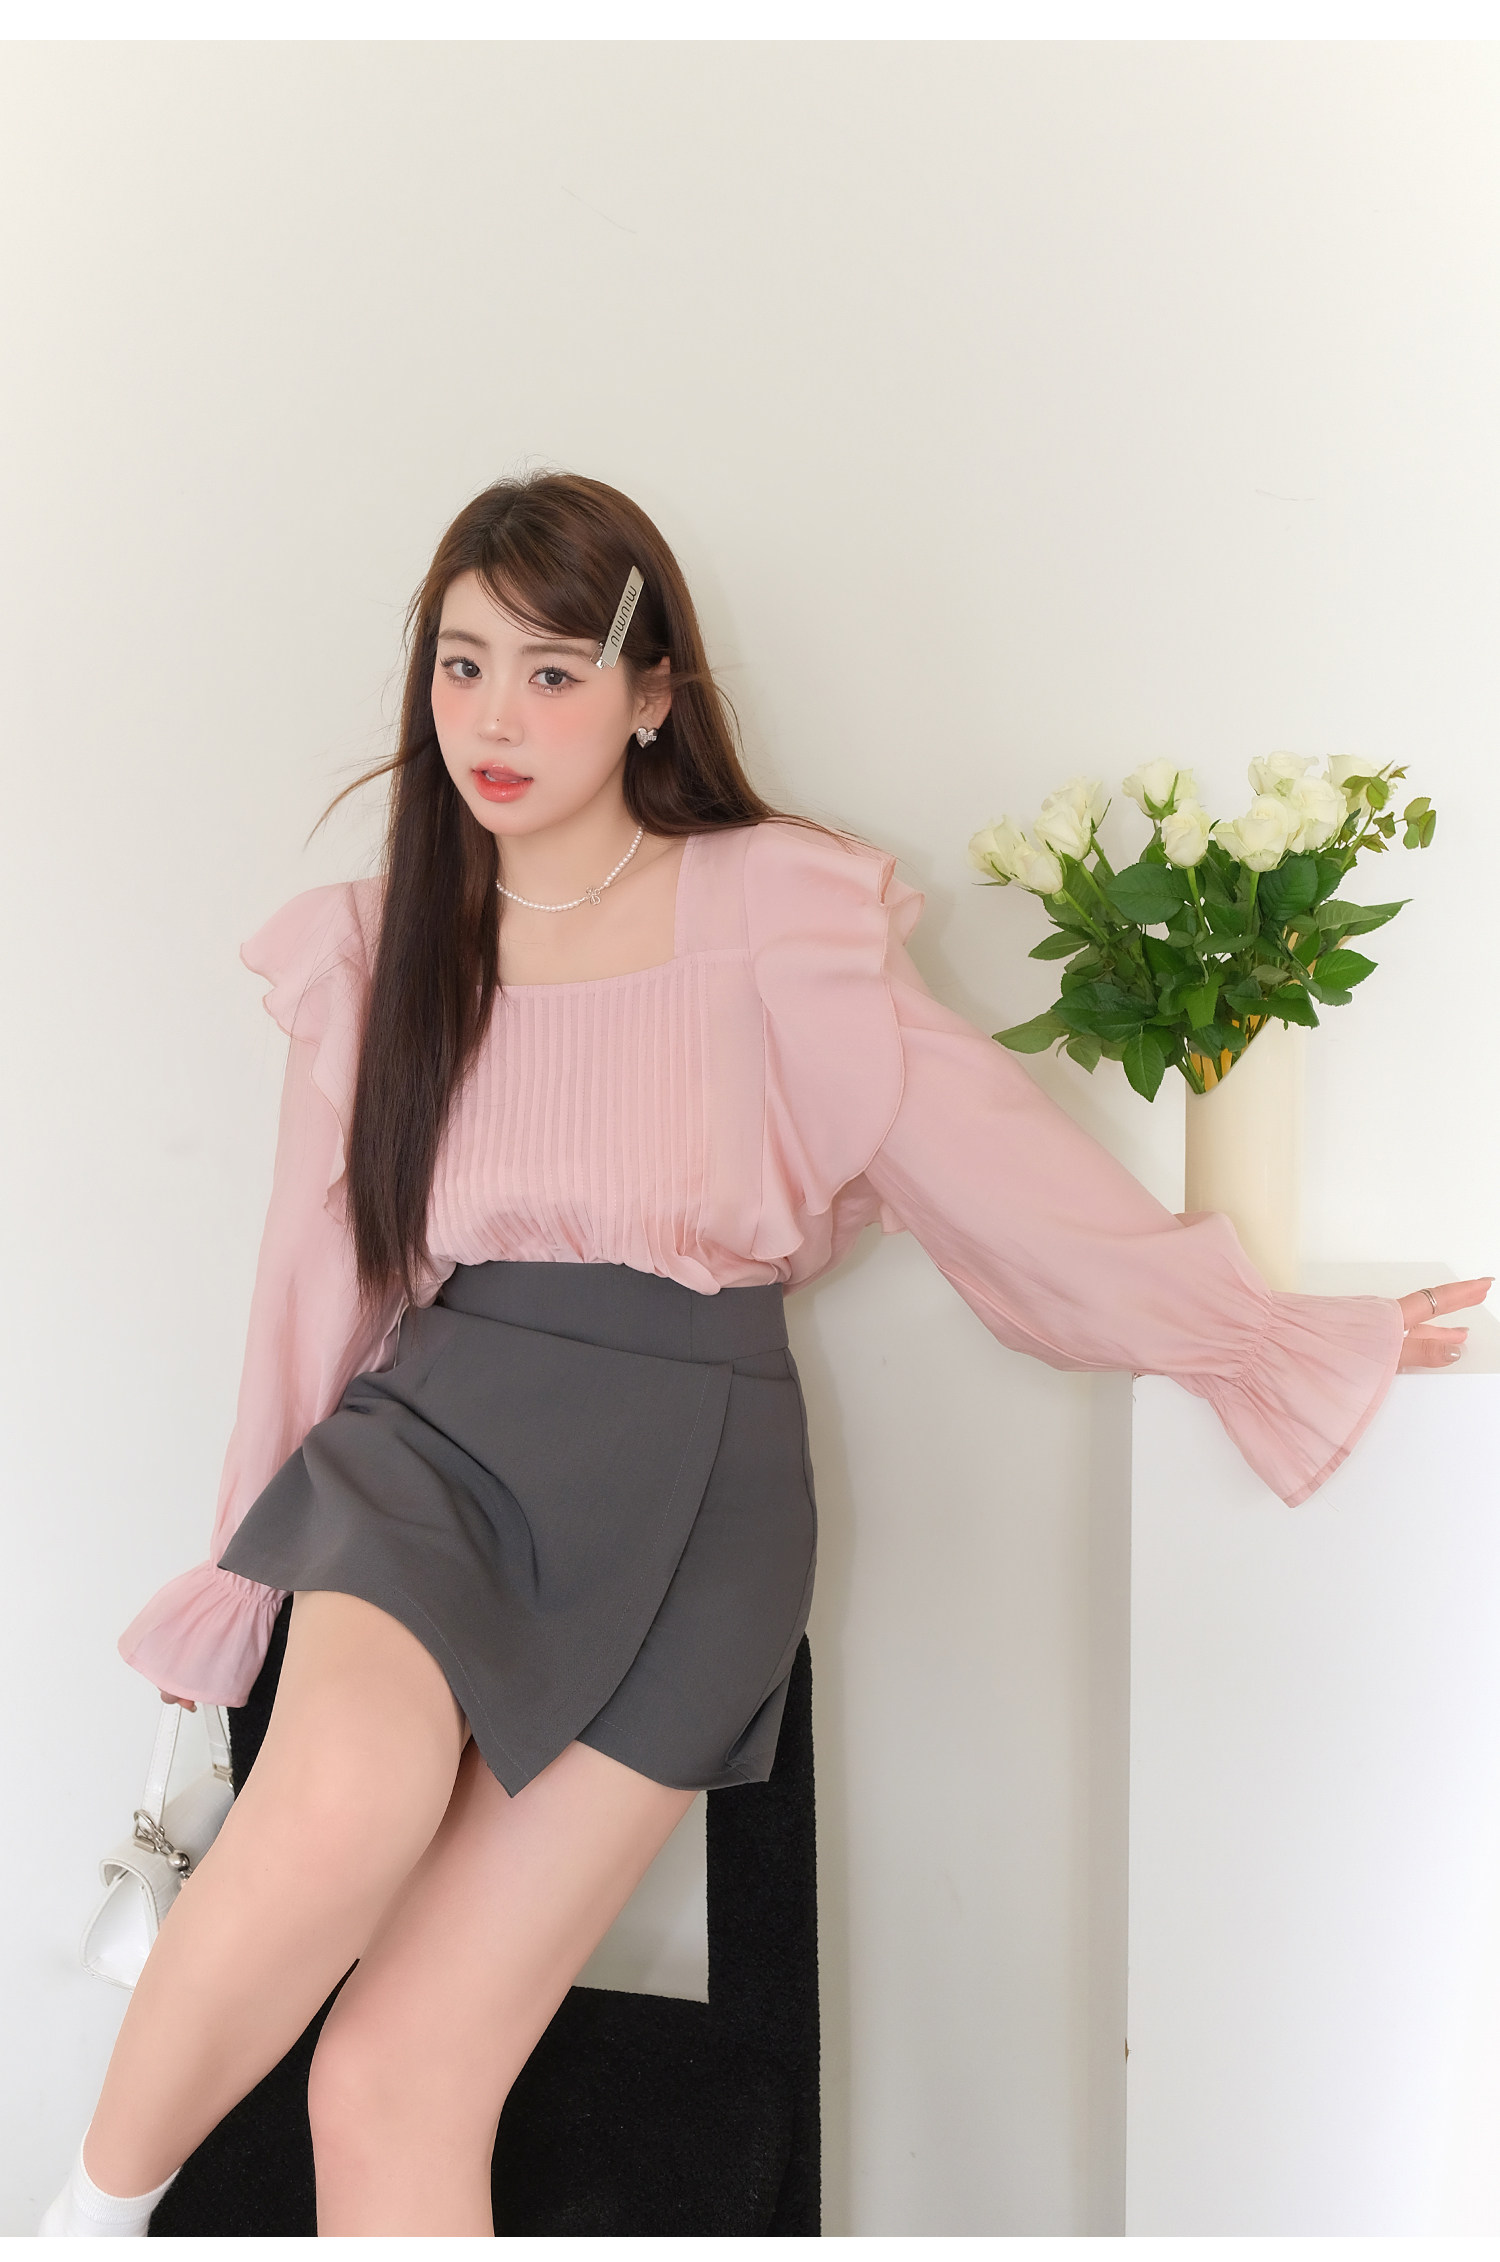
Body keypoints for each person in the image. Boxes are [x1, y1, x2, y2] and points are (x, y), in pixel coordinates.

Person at [41, 471, 1488, 2239]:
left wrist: (1260, 1332)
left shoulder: (774, 917)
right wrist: (232, 1580)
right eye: (463, 665)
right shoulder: (383, 945)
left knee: (396, 2074)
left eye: (554, 672)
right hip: (433, 1445)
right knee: (341, 1794)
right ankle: (70, 2226)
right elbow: (312, 1284)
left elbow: (1001, 1177)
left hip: (700, 1489)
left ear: (652, 694)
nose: (495, 719)